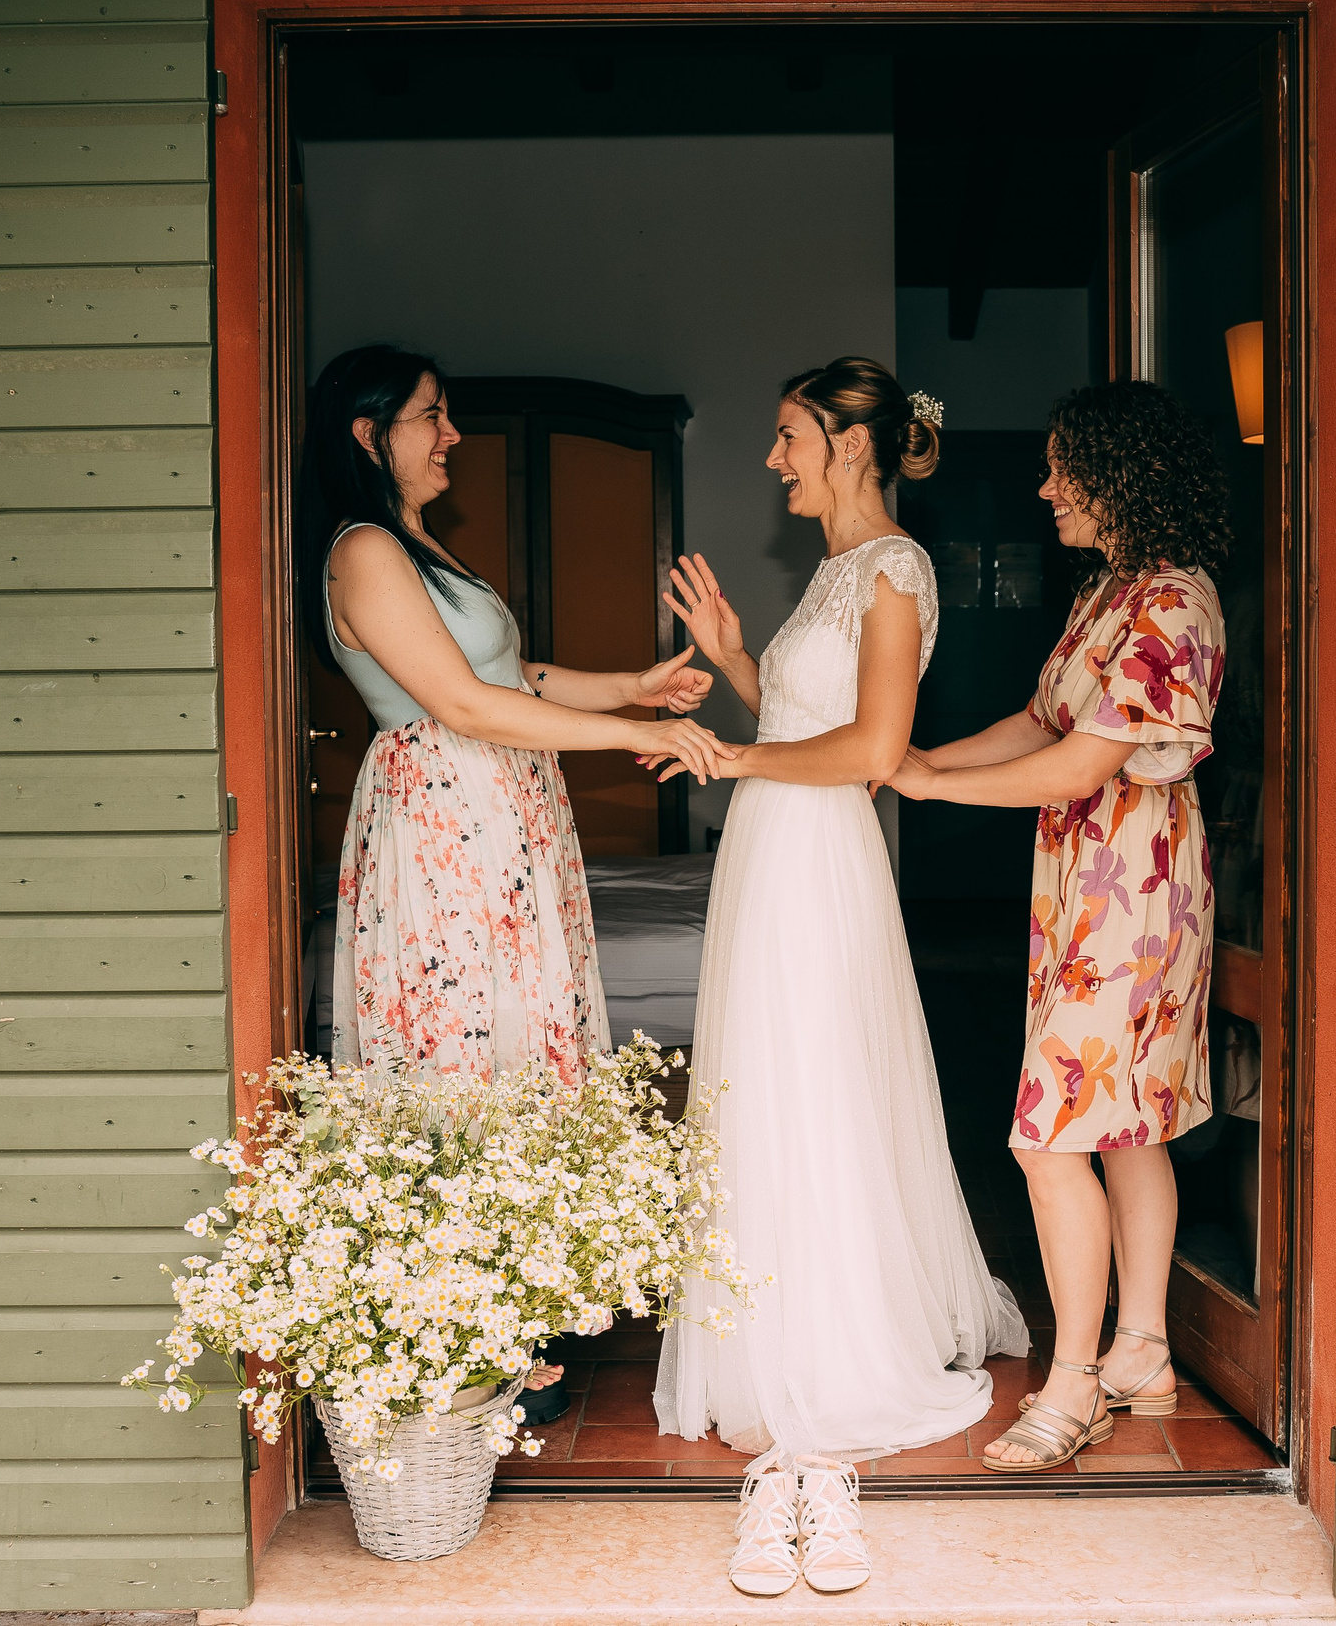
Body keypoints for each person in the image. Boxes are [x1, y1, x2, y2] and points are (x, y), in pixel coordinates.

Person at [647, 358, 1029, 1596]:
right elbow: (809, 726)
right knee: (766, 1087)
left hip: (819, 862)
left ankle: (834, 1340)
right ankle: (768, 1325)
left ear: (851, 447)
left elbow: (868, 753)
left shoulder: (897, 570)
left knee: (813, 1083)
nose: (773, 459)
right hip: (775, 848)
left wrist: (727, 754)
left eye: (787, 437)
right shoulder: (828, 573)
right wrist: (736, 660)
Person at [300, 344, 735, 1414]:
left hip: (499, 815)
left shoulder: (413, 547)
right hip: (447, 814)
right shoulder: (362, 551)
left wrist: (632, 687)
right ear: (369, 435)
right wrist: (642, 735)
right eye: (431, 417)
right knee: (457, 1049)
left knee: (511, 1042)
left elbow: (513, 674)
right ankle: (463, 1344)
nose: (451, 435)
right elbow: (469, 706)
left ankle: (510, 1315)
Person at [887, 379, 1228, 1474]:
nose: (1043, 488)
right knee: (1124, 1126)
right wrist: (926, 763)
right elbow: (1043, 719)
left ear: (1117, 475)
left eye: (1059, 469)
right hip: (1090, 893)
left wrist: (931, 794)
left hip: (1134, 900)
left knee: (1048, 1138)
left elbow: (1084, 763)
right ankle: (1141, 1351)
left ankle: (1075, 1382)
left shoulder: (1171, 603)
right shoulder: (1105, 597)